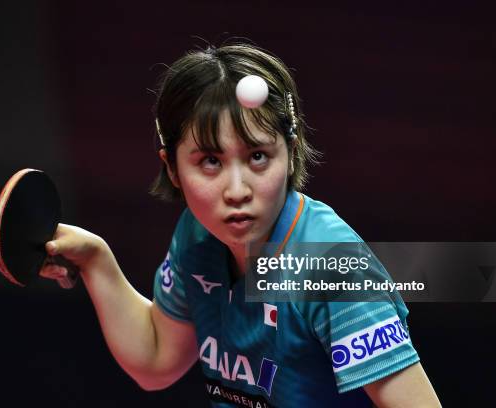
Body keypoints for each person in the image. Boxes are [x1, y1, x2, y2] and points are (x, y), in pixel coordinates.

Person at [40, 43, 441, 407]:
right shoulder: (197, 238)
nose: (237, 191)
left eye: (258, 157)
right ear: (173, 168)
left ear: (291, 150)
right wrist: (96, 260)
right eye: (210, 161)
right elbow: (157, 361)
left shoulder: (329, 264)